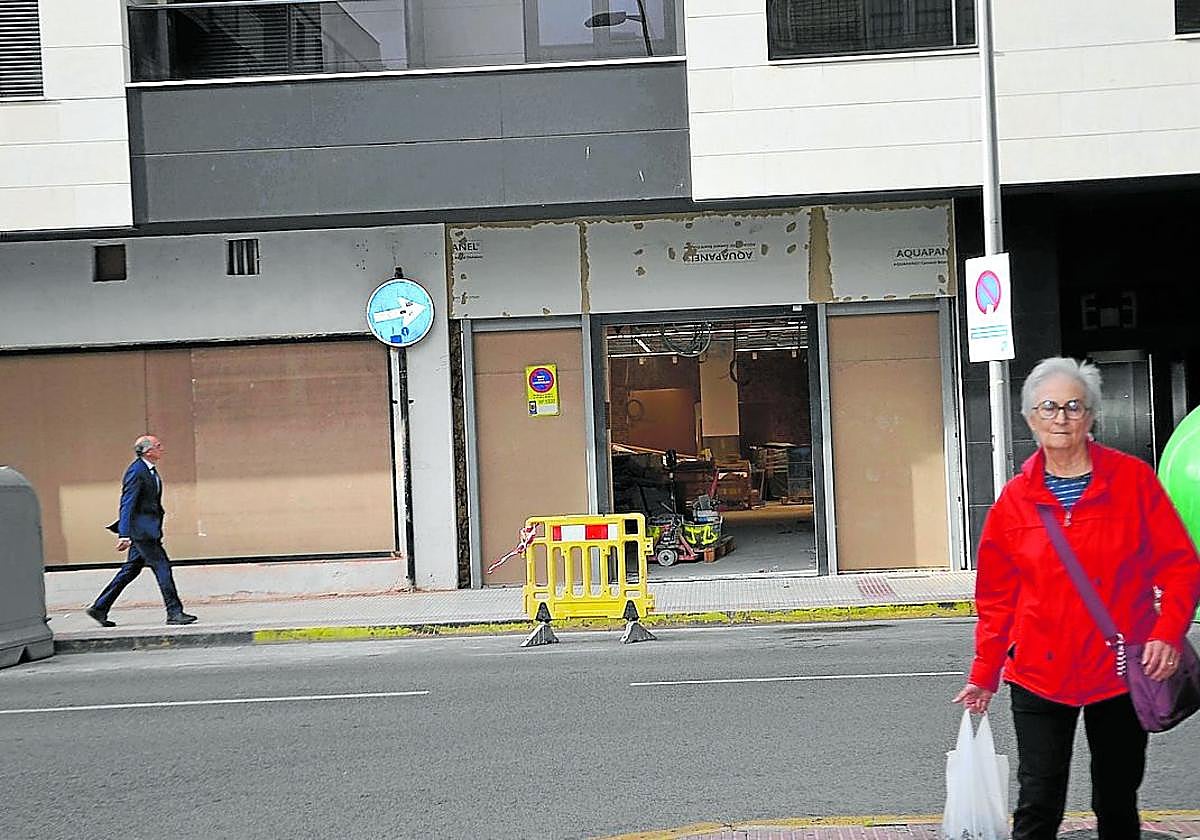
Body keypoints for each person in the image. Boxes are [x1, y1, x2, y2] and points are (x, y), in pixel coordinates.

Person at [953, 356, 1200, 840]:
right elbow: (997, 599)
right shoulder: (1013, 503)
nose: (1061, 418)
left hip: (1120, 669)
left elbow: (1179, 566)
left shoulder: (1133, 483)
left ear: (1091, 417)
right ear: (1029, 418)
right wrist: (984, 673)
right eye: (1048, 407)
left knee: (1116, 799)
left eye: (1073, 406)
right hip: (1040, 674)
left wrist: (1168, 633)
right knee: (1038, 801)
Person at [86, 435, 198, 627]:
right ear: (148, 451)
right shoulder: (137, 471)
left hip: (147, 529)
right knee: (163, 568)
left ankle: (100, 607)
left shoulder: (149, 470)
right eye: (158, 445)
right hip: (143, 533)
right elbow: (127, 504)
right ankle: (174, 612)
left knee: (130, 570)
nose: (162, 448)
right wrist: (124, 534)